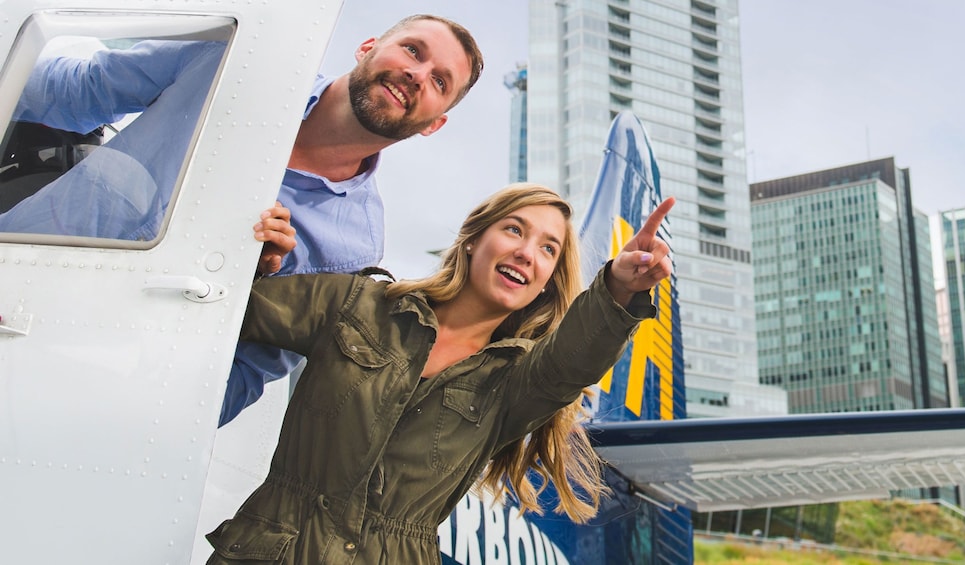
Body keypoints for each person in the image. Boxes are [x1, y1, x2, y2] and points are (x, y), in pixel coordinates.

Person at [0, 15, 485, 425]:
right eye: (412, 50)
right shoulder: (233, 63)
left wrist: (242, 285)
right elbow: (69, 89)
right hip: (11, 279)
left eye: (440, 81)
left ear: (434, 123)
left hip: (70, 382)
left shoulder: (355, 249)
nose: (417, 75)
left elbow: (237, 380)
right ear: (367, 48)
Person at [205, 183, 676, 564]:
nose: (527, 253)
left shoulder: (515, 382)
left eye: (548, 249)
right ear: (474, 239)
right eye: (514, 230)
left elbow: (572, 362)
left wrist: (618, 287)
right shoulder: (359, 304)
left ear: (548, 280)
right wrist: (256, 259)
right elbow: (223, 306)